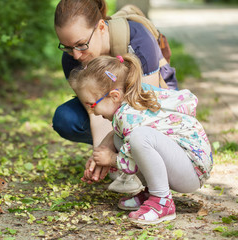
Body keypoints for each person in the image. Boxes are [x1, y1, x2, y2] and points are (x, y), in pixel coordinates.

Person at [68, 54, 213, 224]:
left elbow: (137, 159)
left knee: (139, 137)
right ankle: (152, 192)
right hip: (184, 164)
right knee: (119, 139)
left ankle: (162, 201)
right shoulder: (131, 100)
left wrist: (112, 159)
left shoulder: (128, 116)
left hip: (191, 170)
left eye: (91, 105)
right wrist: (106, 153)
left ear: (114, 96)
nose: (92, 112)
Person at [53, 0, 178, 189]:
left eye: (81, 45)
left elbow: (145, 108)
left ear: (101, 27)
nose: (76, 55)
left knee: (139, 129)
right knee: (66, 119)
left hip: (149, 103)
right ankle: (126, 158)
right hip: (115, 106)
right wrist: (102, 155)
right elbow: (96, 111)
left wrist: (112, 154)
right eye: (67, 47)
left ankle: (145, 158)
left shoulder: (137, 39)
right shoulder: (72, 58)